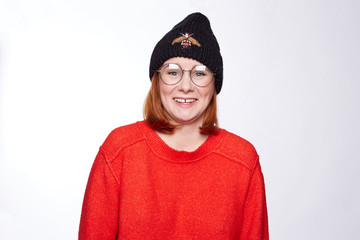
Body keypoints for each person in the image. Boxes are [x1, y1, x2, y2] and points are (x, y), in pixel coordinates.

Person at [79, 12, 268, 240]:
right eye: (173, 72)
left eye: (199, 73)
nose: (185, 86)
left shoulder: (242, 162)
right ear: (157, 82)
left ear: (214, 84)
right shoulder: (119, 152)